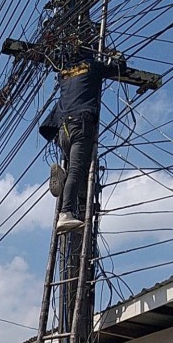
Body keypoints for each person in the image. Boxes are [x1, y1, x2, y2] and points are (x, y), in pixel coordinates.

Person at [39, 47, 127, 233]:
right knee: (77, 170)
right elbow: (119, 68)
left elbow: (58, 59)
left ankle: (64, 178)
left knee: (76, 169)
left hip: (63, 130)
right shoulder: (93, 66)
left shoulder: (63, 73)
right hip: (82, 125)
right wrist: (116, 55)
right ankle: (65, 213)